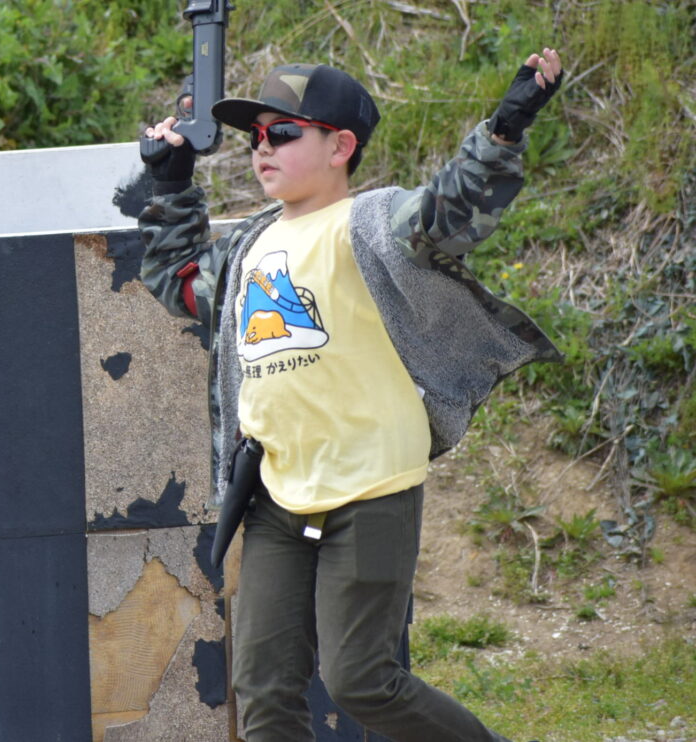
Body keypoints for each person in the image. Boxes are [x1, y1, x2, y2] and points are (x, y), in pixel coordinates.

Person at [137, 54, 564, 742]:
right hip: (276, 493)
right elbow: (181, 280)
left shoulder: (372, 222)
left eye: (283, 133)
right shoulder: (249, 247)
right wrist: (170, 179)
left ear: (340, 146)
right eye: (255, 137)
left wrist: (505, 129)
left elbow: (452, 213)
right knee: (263, 689)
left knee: (363, 678)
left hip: (370, 489)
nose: (262, 148)